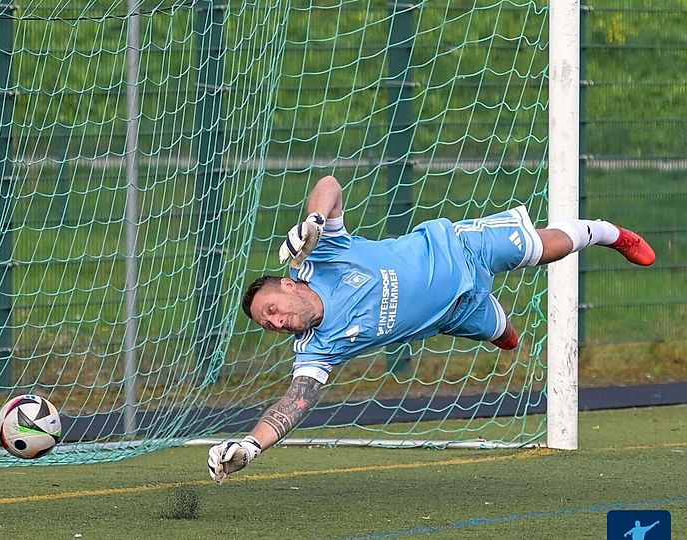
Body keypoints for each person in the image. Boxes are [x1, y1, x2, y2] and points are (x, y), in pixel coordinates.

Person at [207, 175, 655, 483]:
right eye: (270, 325)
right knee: (502, 335)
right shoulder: (316, 350)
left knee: (540, 248)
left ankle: (606, 232)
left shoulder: (323, 254)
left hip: (460, 249)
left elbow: (329, 187)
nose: (278, 322)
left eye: (273, 309)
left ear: (288, 283)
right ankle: (496, 323)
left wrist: (314, 222)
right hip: (453, 316)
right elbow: (293, 404)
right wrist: (250, 446)